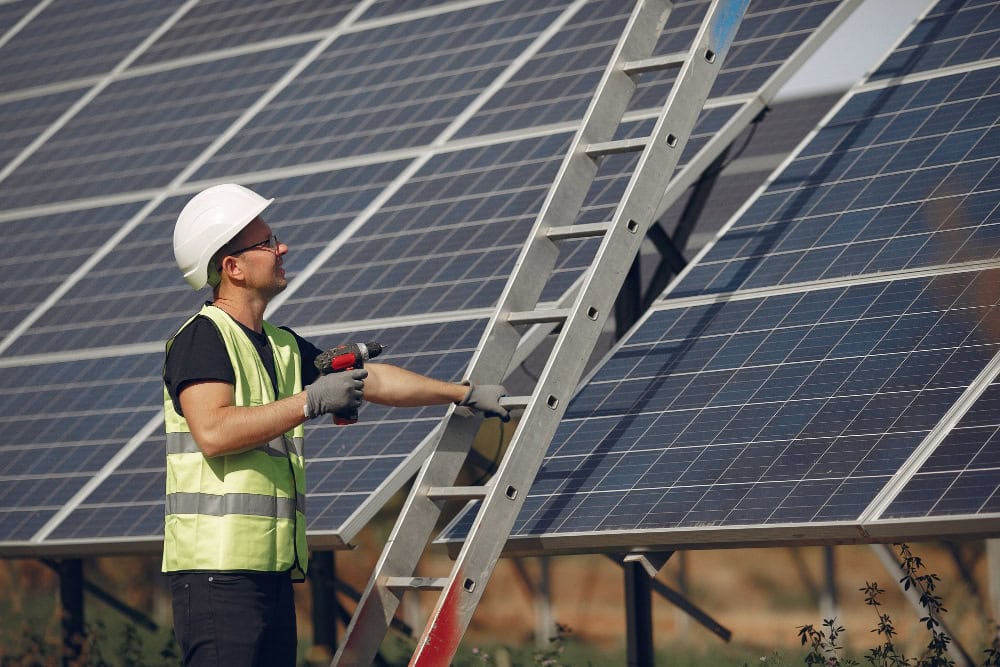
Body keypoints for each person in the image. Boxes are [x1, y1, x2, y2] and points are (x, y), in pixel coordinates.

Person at [162, 183, 509, 666]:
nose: (280, 248)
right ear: (232, 268)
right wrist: (309, 402)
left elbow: (371, 381)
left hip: (270, 570)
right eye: (265, 243)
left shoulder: (281, 345)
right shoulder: (203, 339)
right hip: (217, 574)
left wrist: (463, 393)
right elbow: (214, 432)